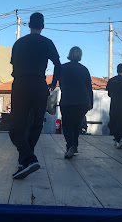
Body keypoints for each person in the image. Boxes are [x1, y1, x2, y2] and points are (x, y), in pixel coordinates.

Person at [9, 12, 61, 179]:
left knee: (17, 127)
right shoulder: (47, 42)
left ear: (29, 25)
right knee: (36, 124)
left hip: (21, 84)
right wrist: (53, 83)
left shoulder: (18, 43)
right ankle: (27, 160)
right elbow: (58, 65)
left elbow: (14, 65)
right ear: (43, 26)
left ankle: (26, 159)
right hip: (39, 84)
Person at [59, 46, 93, 159]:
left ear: (70, 54)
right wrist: (90, 102)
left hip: (67, 100)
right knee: (76, 125)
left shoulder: (63, 67)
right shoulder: (84, 69)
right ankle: (75, 147)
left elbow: (56, 80)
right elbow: (89, 87)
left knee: (67, 125)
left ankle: (70, 146)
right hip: (82, 101)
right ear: (80, 55)